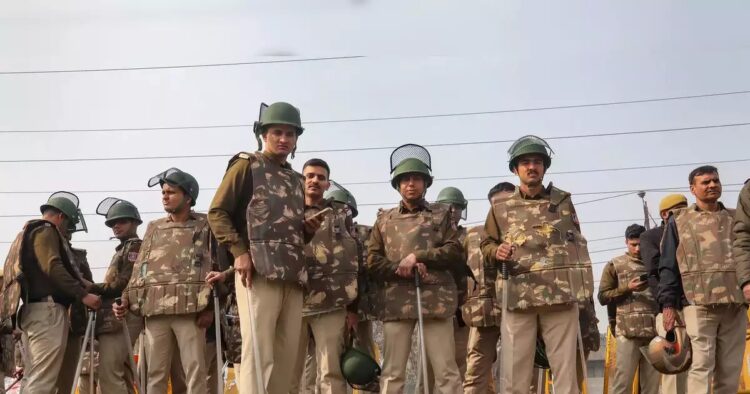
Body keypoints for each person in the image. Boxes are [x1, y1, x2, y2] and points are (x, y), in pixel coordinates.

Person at [207, 101, 322, 394]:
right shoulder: (247, 165)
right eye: (277, 132)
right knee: (259, 354)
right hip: (257, 273)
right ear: (263, 134)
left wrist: (306, 231)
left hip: (293, 277)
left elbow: (290, 229)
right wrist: (239, 253)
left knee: (286, 359)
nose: (284, 139)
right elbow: (217, 213)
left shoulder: (297, 181)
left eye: (290, 134)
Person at [480, 135, 594, 393]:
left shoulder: (563, 201)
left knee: (565, 375)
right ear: (515, 169)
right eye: (526, 162)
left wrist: (582, 292)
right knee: (514, 375)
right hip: (518, 297)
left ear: (544, 167)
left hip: (560, 297)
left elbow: (577, 244)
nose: (532, 167)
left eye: (537, 162)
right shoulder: (500, 207)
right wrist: (497, 250)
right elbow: (485, 244)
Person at [367, 143, 463, 393]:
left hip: (435, 300)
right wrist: (398, 267)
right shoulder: (384, 219)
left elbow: (454, 251)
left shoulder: (443, 215)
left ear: (426, 183)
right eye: (406, 179)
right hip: (396, 301)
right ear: (398, 184)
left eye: (417, 179)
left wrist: (419, 256)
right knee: (392, 373)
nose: (411, 184)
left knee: (446, 372)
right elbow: (372, 260)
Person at [114, 168, 214, 394]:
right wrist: (125, 299)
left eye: (171, 192)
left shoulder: (206, 225)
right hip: (155, 311)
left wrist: (210, 308)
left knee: (194, 372)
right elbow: (141, 268)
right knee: (154, 374)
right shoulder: (154, 227)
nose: (165, 196)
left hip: (191, 311)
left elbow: (216, 265)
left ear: (188, 197)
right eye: (163, 192)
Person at [0, 192, 101, 394]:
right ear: (61, 216)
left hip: (33, 311)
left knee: (35, 376)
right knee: (42, 380)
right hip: (48, 312)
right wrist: (84, 295)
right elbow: (53, 266)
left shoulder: (25, 234)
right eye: (68, 222)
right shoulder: (46, 230)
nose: (66, 230)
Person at [658, 165, 746, 393]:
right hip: (698, 305)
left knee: (730, 370)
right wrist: (668, 305)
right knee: (701, 367)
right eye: (705, 182)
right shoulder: (678, 220)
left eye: (715, 180)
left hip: (735, 305)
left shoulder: (736, 218)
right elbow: (668, 265)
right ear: (692, 189)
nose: (712, 185)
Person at [289, 159, 359, 394]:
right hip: (293, 304)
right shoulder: (287, 213)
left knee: (331, 373)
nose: (314, 181)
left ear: (328, 184)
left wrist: (353, 309)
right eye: (309, 176)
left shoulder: (341, 216)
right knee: (289, 373)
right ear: (301, 180)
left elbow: (355, 262)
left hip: (331, 303)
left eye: (320, 177)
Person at [462, 182, 514, 394]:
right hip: (483, 312)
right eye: (497, 204)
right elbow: (460, 273)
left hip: (520, 309)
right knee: (475, 373)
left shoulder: (528, 232)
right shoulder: (473, 236)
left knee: (521, 371)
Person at [89, 199, 144, 393]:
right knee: (123, 372)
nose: (116, 226)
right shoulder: (124, 247)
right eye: (113, 223)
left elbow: (123, 284)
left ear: (135, 222)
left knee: (109, 373)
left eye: (122, 221)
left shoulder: (135, 246)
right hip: (117, 313)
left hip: (124, 313)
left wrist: (90, 287)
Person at [598, 224, 660, 394]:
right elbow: (602, 297)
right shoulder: (615, 265)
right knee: (622, 385)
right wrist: (627, 288)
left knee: (652, 388)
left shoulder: (655, 263)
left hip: (654, 334)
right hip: (627, 333)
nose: (638, 248)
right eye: (633, 244)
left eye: (641, 244)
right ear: (626, 242)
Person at [638, 193, 688, 393]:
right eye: (678, 209)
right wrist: (667, 304)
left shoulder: (691, 230)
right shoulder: (651, 237)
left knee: (698, 364)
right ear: (665, 214)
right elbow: (654, 272)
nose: (683, 213)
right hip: (670, 308)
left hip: (696, 305)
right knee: (673, 363)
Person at [434, 186, 471, 384]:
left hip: (461, 311)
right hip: (435, 309)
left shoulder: (468, 237)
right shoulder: (432, 236)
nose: (452, 212)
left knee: (460, 364)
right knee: (432, 366)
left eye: (456, 208)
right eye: (448, 207)